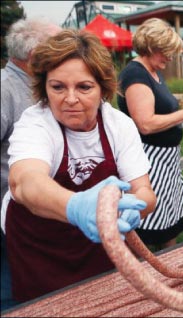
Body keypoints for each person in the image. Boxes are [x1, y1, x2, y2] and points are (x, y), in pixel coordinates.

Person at [1, 29, 157, 304]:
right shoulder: (35, 122)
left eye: (84, 87)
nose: (70, 98)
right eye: (58, 87)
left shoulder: (118, 125)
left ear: (102, 88)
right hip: (39, 251)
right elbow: (24, 182)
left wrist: (134, 208)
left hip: (98, 246)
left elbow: (144, 190)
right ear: (44, 87)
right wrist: (76, 207)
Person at [118, 18, 183, 251]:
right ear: (151, 46)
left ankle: (170, 265)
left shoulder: (153, 72)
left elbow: (161, 115)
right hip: (150, 162)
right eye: (166, 51)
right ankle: (146, 273)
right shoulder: (135, 75)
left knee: (168, 219)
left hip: (166, 162)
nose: (170, 57)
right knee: (149, 223)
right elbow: (145, 124)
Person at [0, 17, 62, 311]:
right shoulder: (5, 90)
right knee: (17, 298)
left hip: (39, 217)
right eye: (59, 47)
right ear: (37, 57)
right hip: (10, 225)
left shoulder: (33, 86)